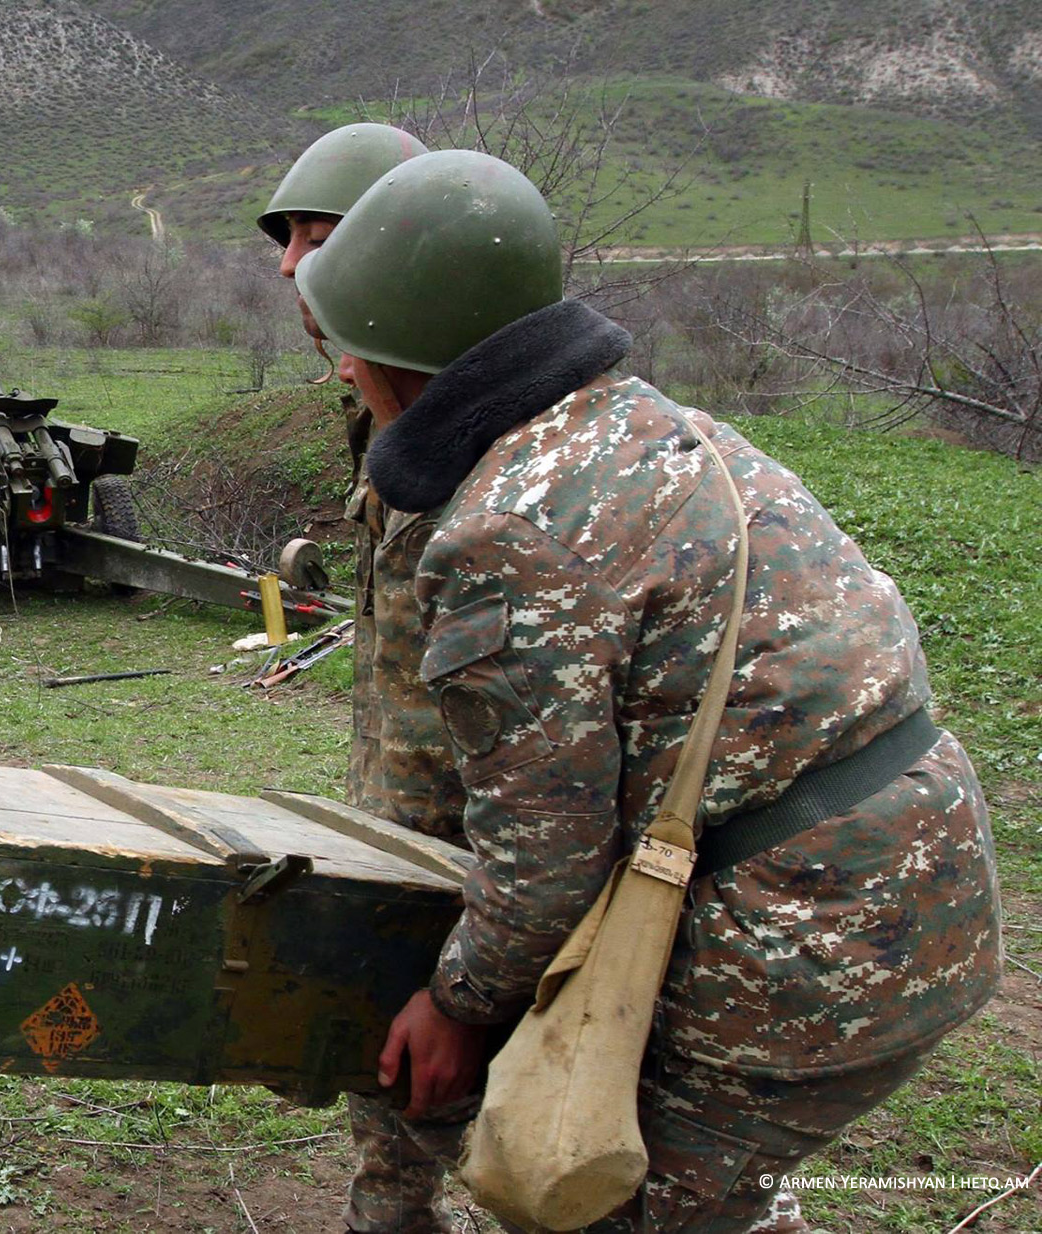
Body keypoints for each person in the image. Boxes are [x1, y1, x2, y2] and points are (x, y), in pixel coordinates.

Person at [294, 148, 1002, 1232]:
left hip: (806, 936)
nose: (342, 372)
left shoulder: (507, 526)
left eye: (351, 348)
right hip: (919, 874)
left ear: (402, 356)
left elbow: (545, 860)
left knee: (601, 1199)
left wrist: (457, 1004)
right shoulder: (640, 424)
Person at [259, 123, 468, 1234]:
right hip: (408, 813)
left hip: (501, 833)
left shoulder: (484, 433)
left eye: (318, 234)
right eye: (287, 237)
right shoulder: (377, 405)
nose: (291, 263)